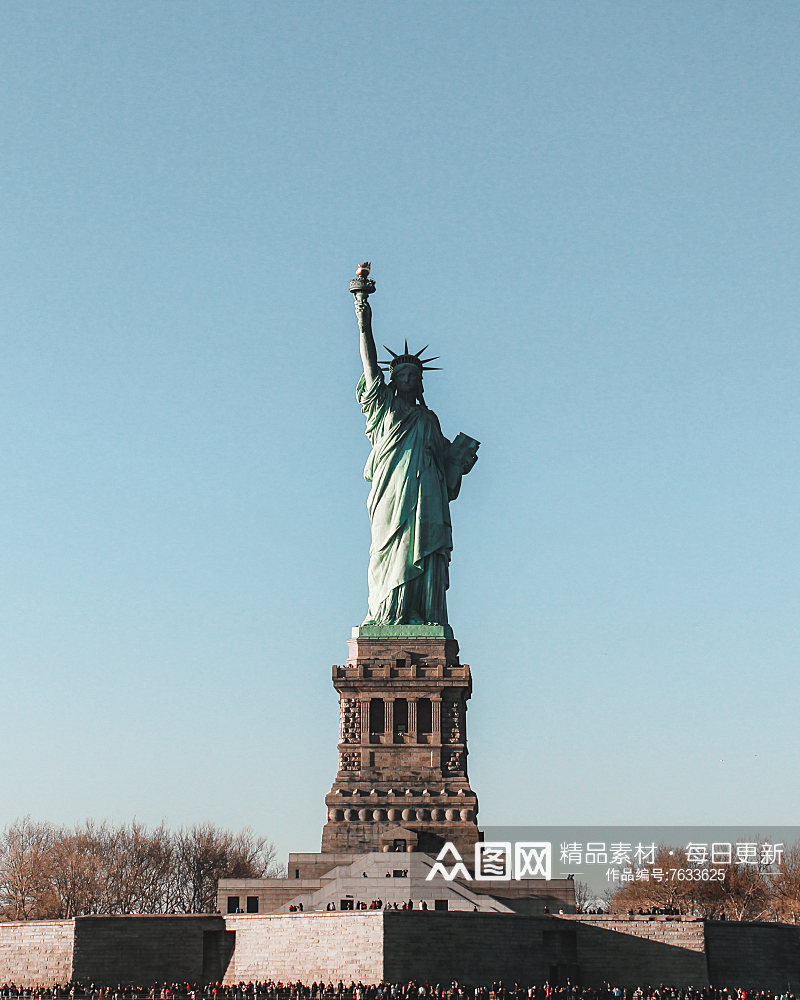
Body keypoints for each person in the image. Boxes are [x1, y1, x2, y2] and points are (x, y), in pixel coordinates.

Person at [354, 289, 478, 626]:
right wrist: (362, 311)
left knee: (423, 549)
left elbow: (447, 468)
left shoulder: (429, 419)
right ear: (392, 381)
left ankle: (422, 613)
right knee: (388, 550)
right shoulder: (384, 409)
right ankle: (387, 614)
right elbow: (369, 364)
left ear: (420, 383)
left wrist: (460, 459)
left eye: (415, 376)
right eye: (402, 375)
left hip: (428, 497)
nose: (409, 379)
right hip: (392, 493)